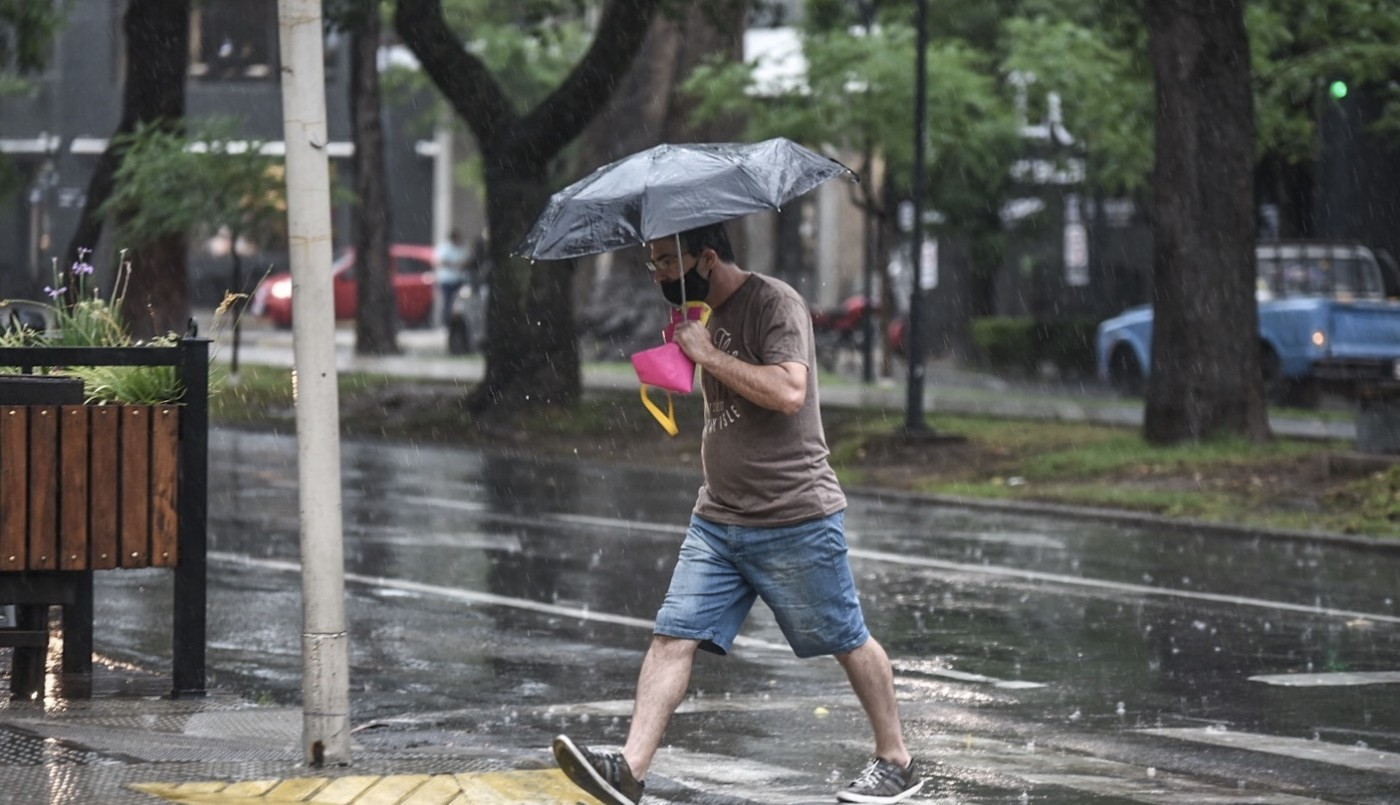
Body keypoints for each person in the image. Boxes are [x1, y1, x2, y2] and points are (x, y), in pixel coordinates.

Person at [553, 222, 922, 805]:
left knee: (846, 638)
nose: (658, 277)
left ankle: (896, 760)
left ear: (705, 257)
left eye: (664, 264)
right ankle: (629, 769)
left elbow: (787, 391)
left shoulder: (775, 303)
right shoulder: (699, 314)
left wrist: (706, 354)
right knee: (672, 637)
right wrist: (679, 363)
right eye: (652, 266)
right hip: (719, 519)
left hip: (793, 513)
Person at [434, 229, 471, 327]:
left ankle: (457, 322)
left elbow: (466, 261)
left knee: (460, 302)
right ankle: (447, 323)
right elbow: (440, 261)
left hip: (459, 279)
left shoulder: (462, 249)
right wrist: (454, 265)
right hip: (447, 280)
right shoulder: (445, 248)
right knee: (448, 302)